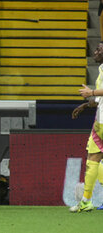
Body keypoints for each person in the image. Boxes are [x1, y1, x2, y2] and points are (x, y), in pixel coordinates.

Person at [70, 41, 103, 212]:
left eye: (99, 49)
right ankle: (85, 201)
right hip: (100, 123)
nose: (95, 51)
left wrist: (91, 92)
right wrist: (86, 105)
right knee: (93, 158)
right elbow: (100, 97)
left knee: (94, 158)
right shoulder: (101, 70)